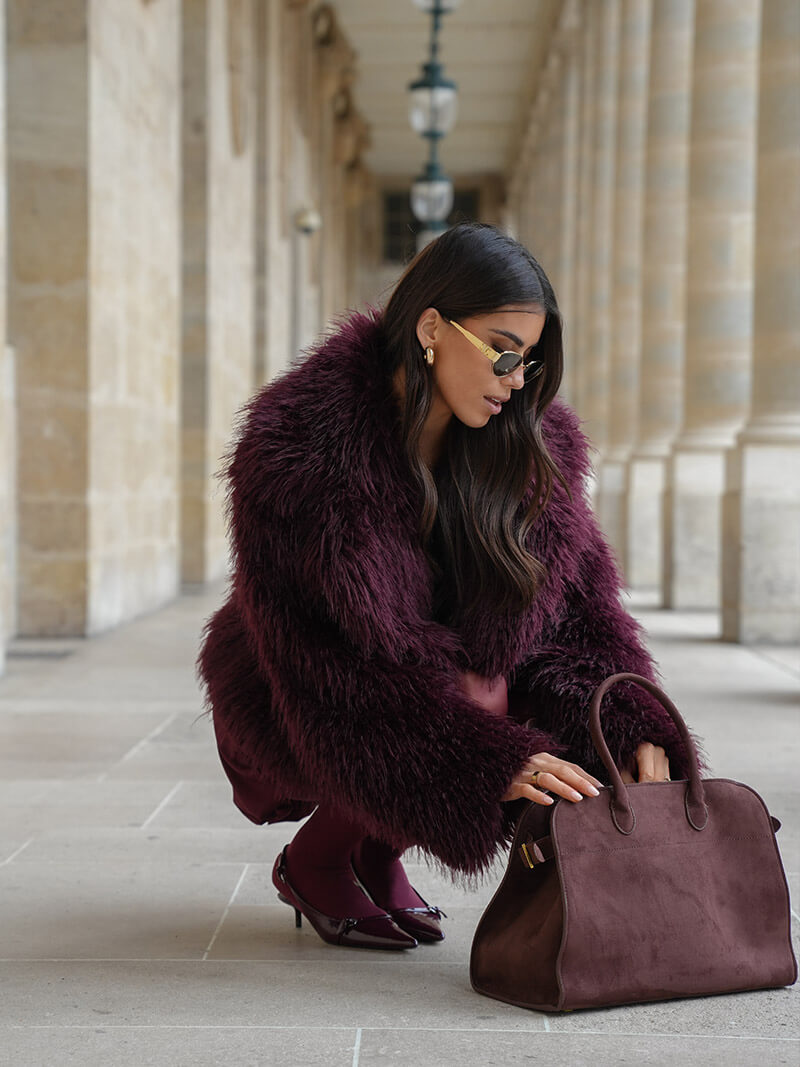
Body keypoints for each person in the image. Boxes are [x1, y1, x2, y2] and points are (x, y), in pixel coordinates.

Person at [198, 222, 699, 952]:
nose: (516, 378)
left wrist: (634, 729)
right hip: (291, 686)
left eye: (528, 360)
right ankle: (318, 856)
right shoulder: (301, 450)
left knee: (498, 673)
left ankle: (376, 850)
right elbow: (327, 668)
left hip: (423, 689)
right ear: (432, 327)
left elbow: (583, 615)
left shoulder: (531, 448)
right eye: (502, 350)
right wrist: (479, 760)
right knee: (475, 695)